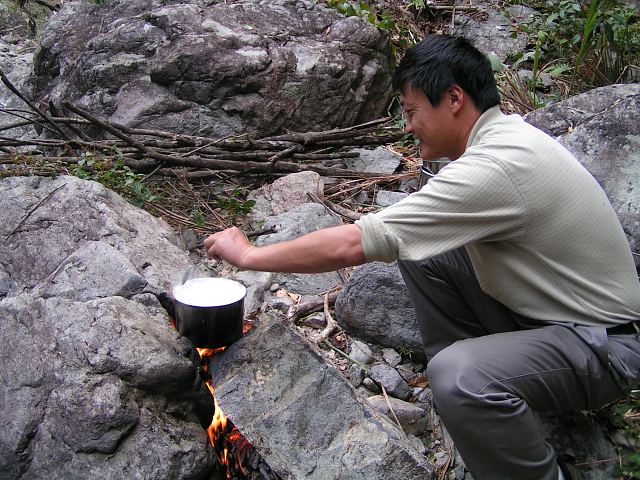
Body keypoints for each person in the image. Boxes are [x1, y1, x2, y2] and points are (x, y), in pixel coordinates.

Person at [204, 34, 640, 480]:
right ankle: (482, 404)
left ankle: (479, 396)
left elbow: (358, 241)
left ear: (454, 98)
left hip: (605, 346)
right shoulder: (501, 140)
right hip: (551, 320)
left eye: (412, 112)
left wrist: (252, 255)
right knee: (427, 254)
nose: (408, 127)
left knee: (458, 376)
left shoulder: (497, 166)